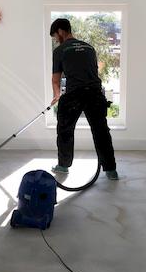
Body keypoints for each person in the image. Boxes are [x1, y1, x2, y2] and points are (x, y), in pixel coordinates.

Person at [49, 18, 119, 180]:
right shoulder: (89, 47)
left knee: (65, 130)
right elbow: (92, 71)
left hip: (74, 94)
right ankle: (111, 170)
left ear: (60, 31)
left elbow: (56, 79)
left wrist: (56, 96)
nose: (56, 40)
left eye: (55, 36)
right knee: (101, 132)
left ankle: (63, 166)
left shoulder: (60, 50)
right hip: (95, 93)